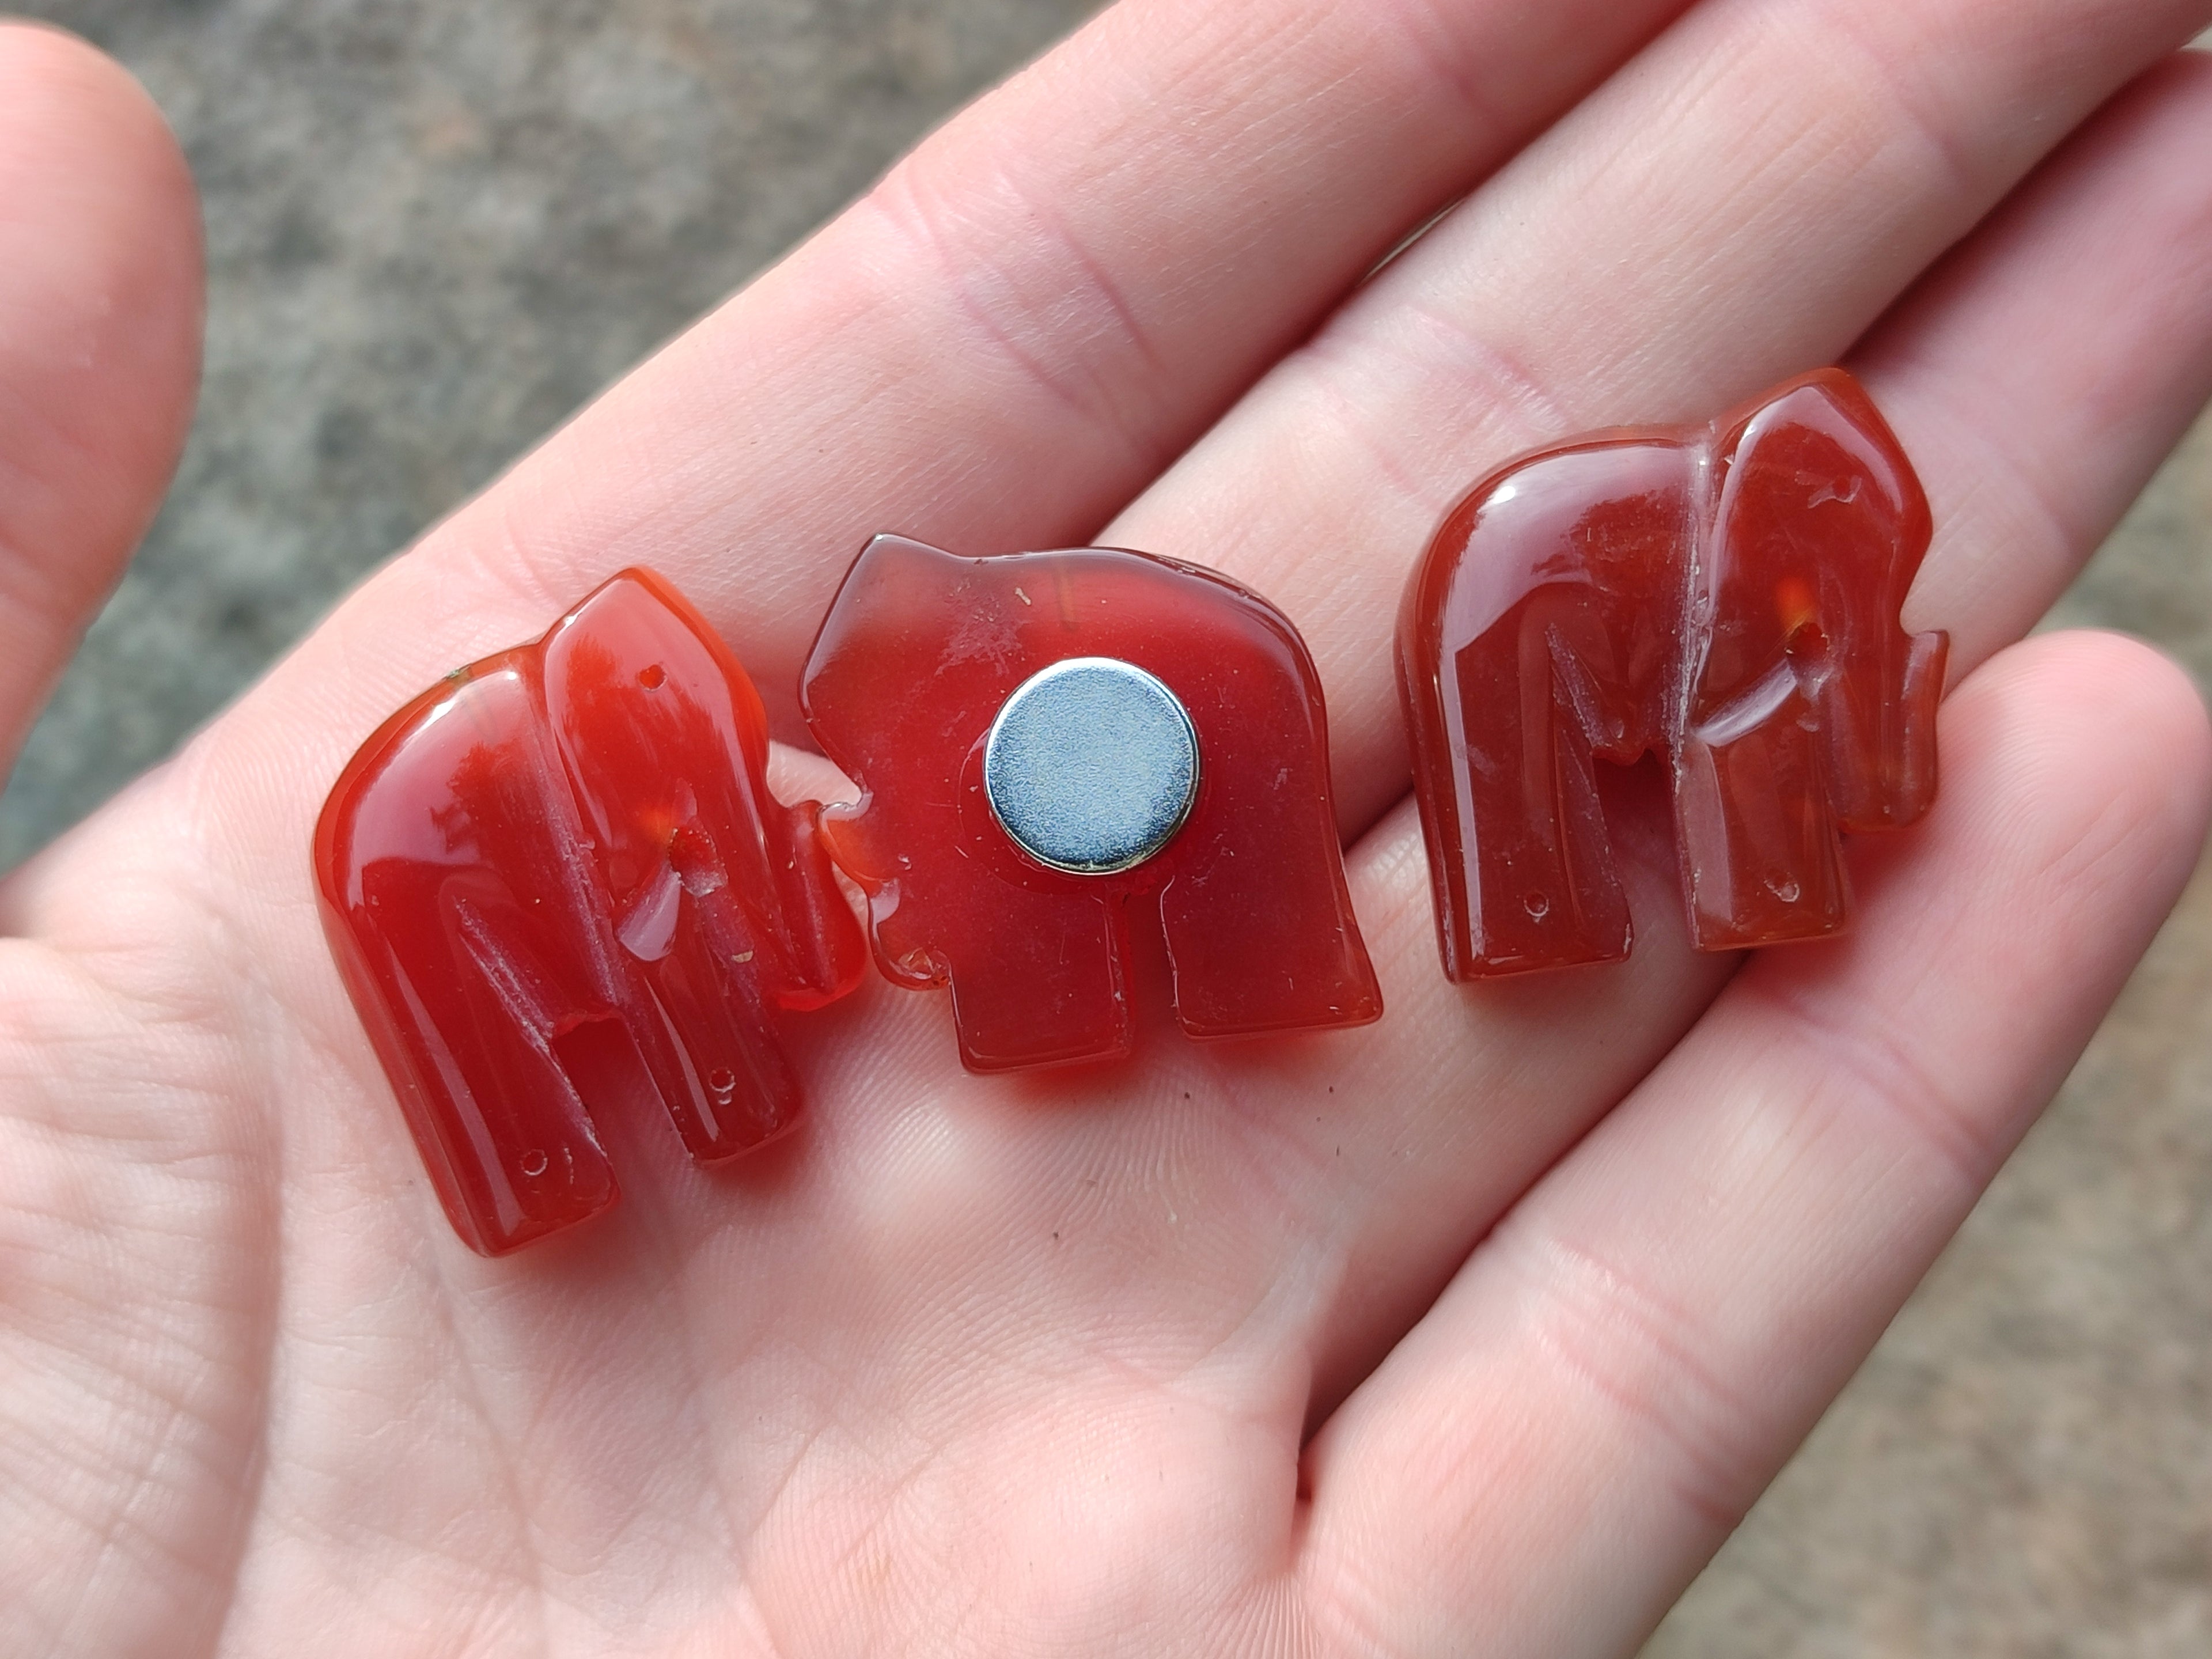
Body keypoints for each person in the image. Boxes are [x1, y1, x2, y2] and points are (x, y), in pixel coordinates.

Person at [2, 2, 2209, 1653]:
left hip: (1372, 661)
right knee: (617, 1067)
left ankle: (1489, 887)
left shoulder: (1671, 577)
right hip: (948, 761)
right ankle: (555, 1138)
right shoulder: (555, 807)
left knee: (1240, 903)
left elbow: (1760, 685)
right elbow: (680, 923)